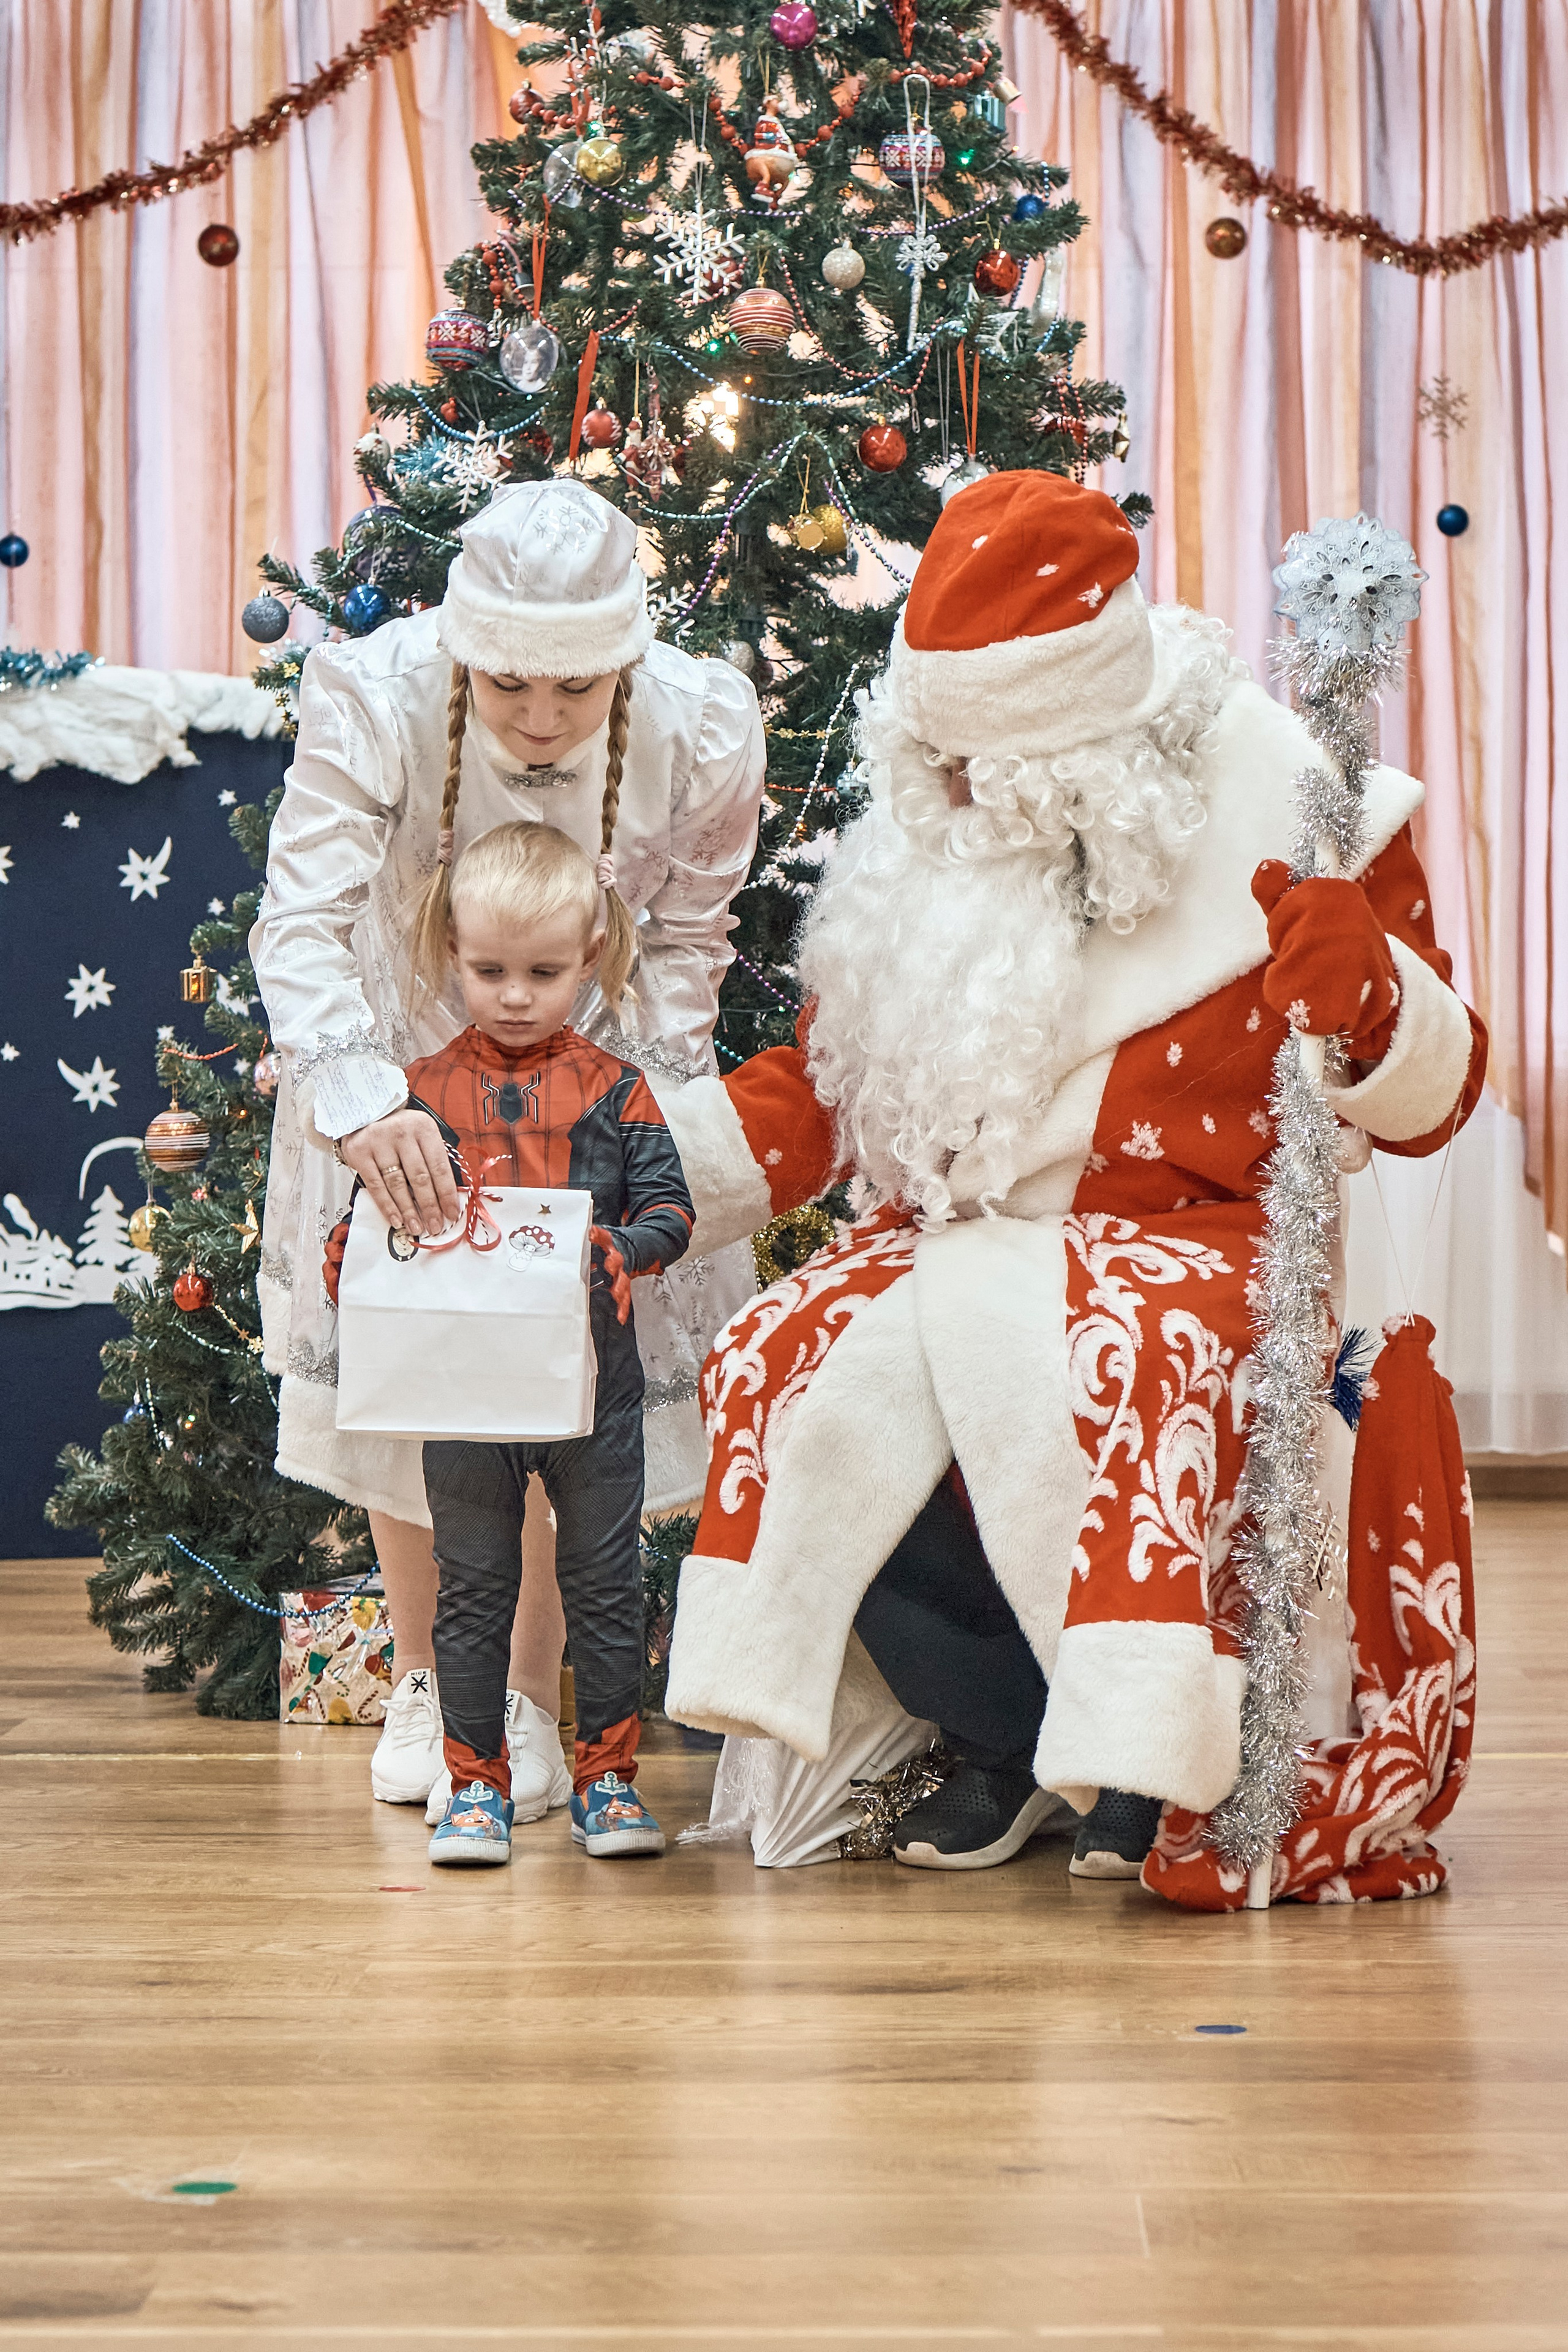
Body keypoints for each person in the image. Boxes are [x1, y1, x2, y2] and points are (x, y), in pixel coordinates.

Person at [652, 469, 1487, 1907]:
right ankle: (1004, 1731)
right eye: (940, 760)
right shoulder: (939, 824)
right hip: (954, 1229)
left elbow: (1435, 1091)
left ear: (1080, 740)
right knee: (778, 1361)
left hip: (1194, 1235)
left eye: (985, 765)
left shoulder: (1304, 804)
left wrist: (1365, 1002)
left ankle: (1139, 1746)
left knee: (1116, 1365)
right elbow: (827, 1085)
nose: (955, 793)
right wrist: (626, 1167)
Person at [251, 480, 763, 1812]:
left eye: (576, 691)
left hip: (585, 1076)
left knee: (567, 1384)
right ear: (464, 650)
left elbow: (689, 941)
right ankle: (429, 1680)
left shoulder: (702, 724)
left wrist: (629, 1111)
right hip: (403, 1057)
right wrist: (368, 1100)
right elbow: (301, 921)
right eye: (509, 687)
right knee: (428, 1371)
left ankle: (531, 1694)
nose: (540, 720)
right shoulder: (372, 693)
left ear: (626, 662)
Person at [326, 820, 692, 1866]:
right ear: (451, 958)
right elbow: (379, 1212)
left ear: (593, 959)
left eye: (545, 971)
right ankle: (475, 1784)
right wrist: (349, 1251)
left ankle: (608, 1783)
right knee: (473, 1586)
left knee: (606, 1582)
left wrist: (617, 1250)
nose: (517, 995)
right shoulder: (418, 1095)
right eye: (490, 971)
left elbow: (670, 1211)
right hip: (466, 1391)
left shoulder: (621, 1091)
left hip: (592, 1389)